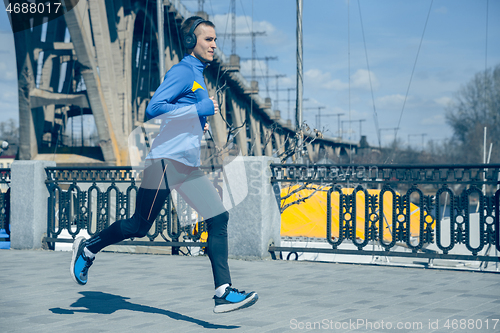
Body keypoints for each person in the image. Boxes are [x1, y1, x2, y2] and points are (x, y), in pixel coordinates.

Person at [70, 16, 258, 314]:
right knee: (139, 226)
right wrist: (199, 108)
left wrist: (200, 121)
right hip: (164, 163)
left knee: (219, 219)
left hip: (186, 166)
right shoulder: (183, 71)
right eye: (208, 39)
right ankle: (89, 248)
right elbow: (154, 108)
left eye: (214, 39)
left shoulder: (198, 74)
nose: (214, 44)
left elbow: (178, 112)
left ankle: (223, 292)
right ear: (190, 42)